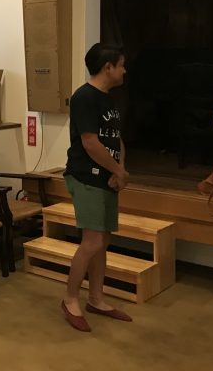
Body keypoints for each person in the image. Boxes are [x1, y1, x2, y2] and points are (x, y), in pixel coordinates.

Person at [61, 43, 132, 332]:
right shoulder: (84, 97)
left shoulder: (108, 98)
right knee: (91, 242)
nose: (124, 70)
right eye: (122, 65)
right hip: (86, 177)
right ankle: (70, 300)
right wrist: (117, 171)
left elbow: (115, 139)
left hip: (107, 177)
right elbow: (90, 143)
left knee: (102, 241)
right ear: (108, 67)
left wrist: (120, 170)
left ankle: (96, 299)